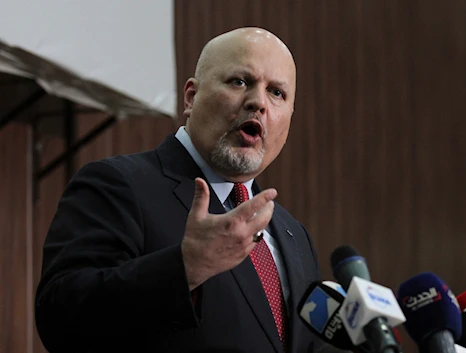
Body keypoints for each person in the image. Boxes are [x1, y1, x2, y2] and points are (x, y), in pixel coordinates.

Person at [35, 27, 345, 353]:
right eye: (240, 81)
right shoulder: (118, 184)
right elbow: (61, 318)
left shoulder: (292, 233)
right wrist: (185, 269)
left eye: (277, 93)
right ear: (191, 97)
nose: (258, 103)